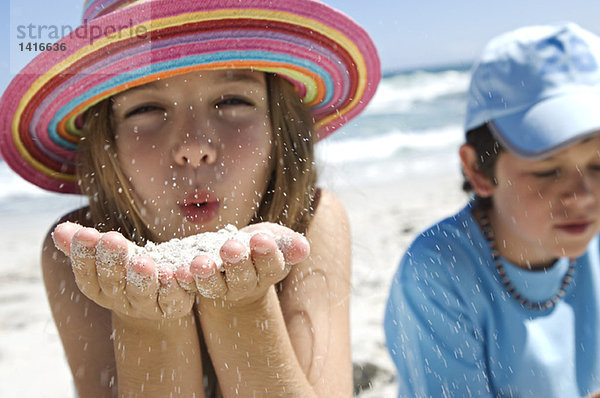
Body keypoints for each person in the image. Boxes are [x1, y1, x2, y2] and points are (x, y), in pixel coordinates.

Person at [0, 0, 381, 396]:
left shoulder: (309, 223)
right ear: (106, 142)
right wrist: (146, 322)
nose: (194, 147)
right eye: (147, 107)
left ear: (278, 127)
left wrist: (244, 307)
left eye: (232, 101)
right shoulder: (85, 255)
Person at [384, 22, 600, 397]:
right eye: (547, 169)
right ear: (478, 170)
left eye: (599, 166)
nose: (582, 195)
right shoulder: (437, 272)